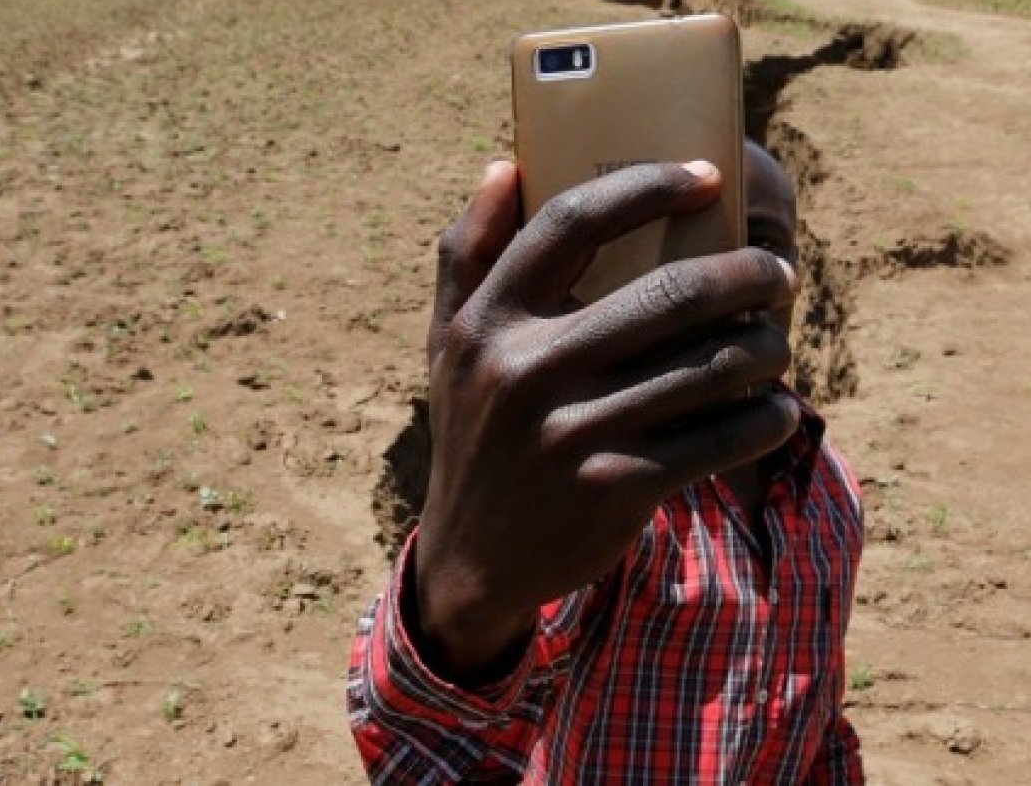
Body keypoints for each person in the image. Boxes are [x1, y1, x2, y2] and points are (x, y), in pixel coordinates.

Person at [347, 142, 866, 783]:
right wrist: (461, 603)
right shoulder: (592, 490)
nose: (723, 276)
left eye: (759, 243)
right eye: (677, 249)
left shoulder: (829, 489)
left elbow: (815, 724)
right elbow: (438, 748)